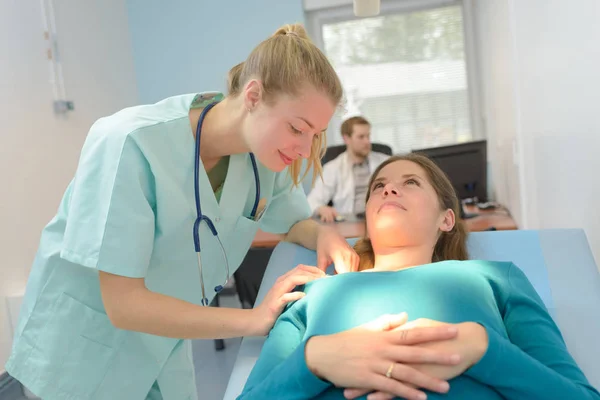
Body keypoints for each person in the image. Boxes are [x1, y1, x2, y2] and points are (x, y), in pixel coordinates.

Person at [5, 24, 363, 400]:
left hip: (166, 344)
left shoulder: (262, 156)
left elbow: (294, 222)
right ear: (253, 96)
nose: (305, 150)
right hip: (85, 351)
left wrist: (324, 235)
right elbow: (123, 304)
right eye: (297, 128)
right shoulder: (130, 143)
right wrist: (255, 319)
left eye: (315, 135)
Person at [238, 154, 600, 400]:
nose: (388, 189)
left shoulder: (494, 277)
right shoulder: (315, 290)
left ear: (447, 218)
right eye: (378, 187)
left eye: (411, 182)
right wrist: (313, 361)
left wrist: (483, 348)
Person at [307, 116, 389, 222]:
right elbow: (312, 202)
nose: (367, 142)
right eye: (361, 137)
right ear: (346, 139)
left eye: (368, 136)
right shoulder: (333, 168)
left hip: (383, 219)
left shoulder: (385, 162)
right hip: (350, 223)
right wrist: (320, 209)